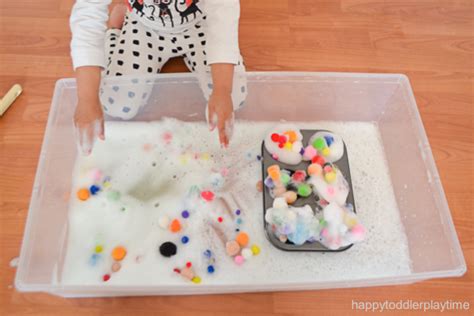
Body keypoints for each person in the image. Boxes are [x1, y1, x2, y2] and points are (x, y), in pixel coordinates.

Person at [70, 0, 247, 154]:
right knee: (116, 105)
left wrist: (222, 89)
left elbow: (223, 10)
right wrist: (86, 98)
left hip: (199, 23)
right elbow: (88, 18)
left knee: (234, 98)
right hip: (143, 26)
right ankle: (115, 32)